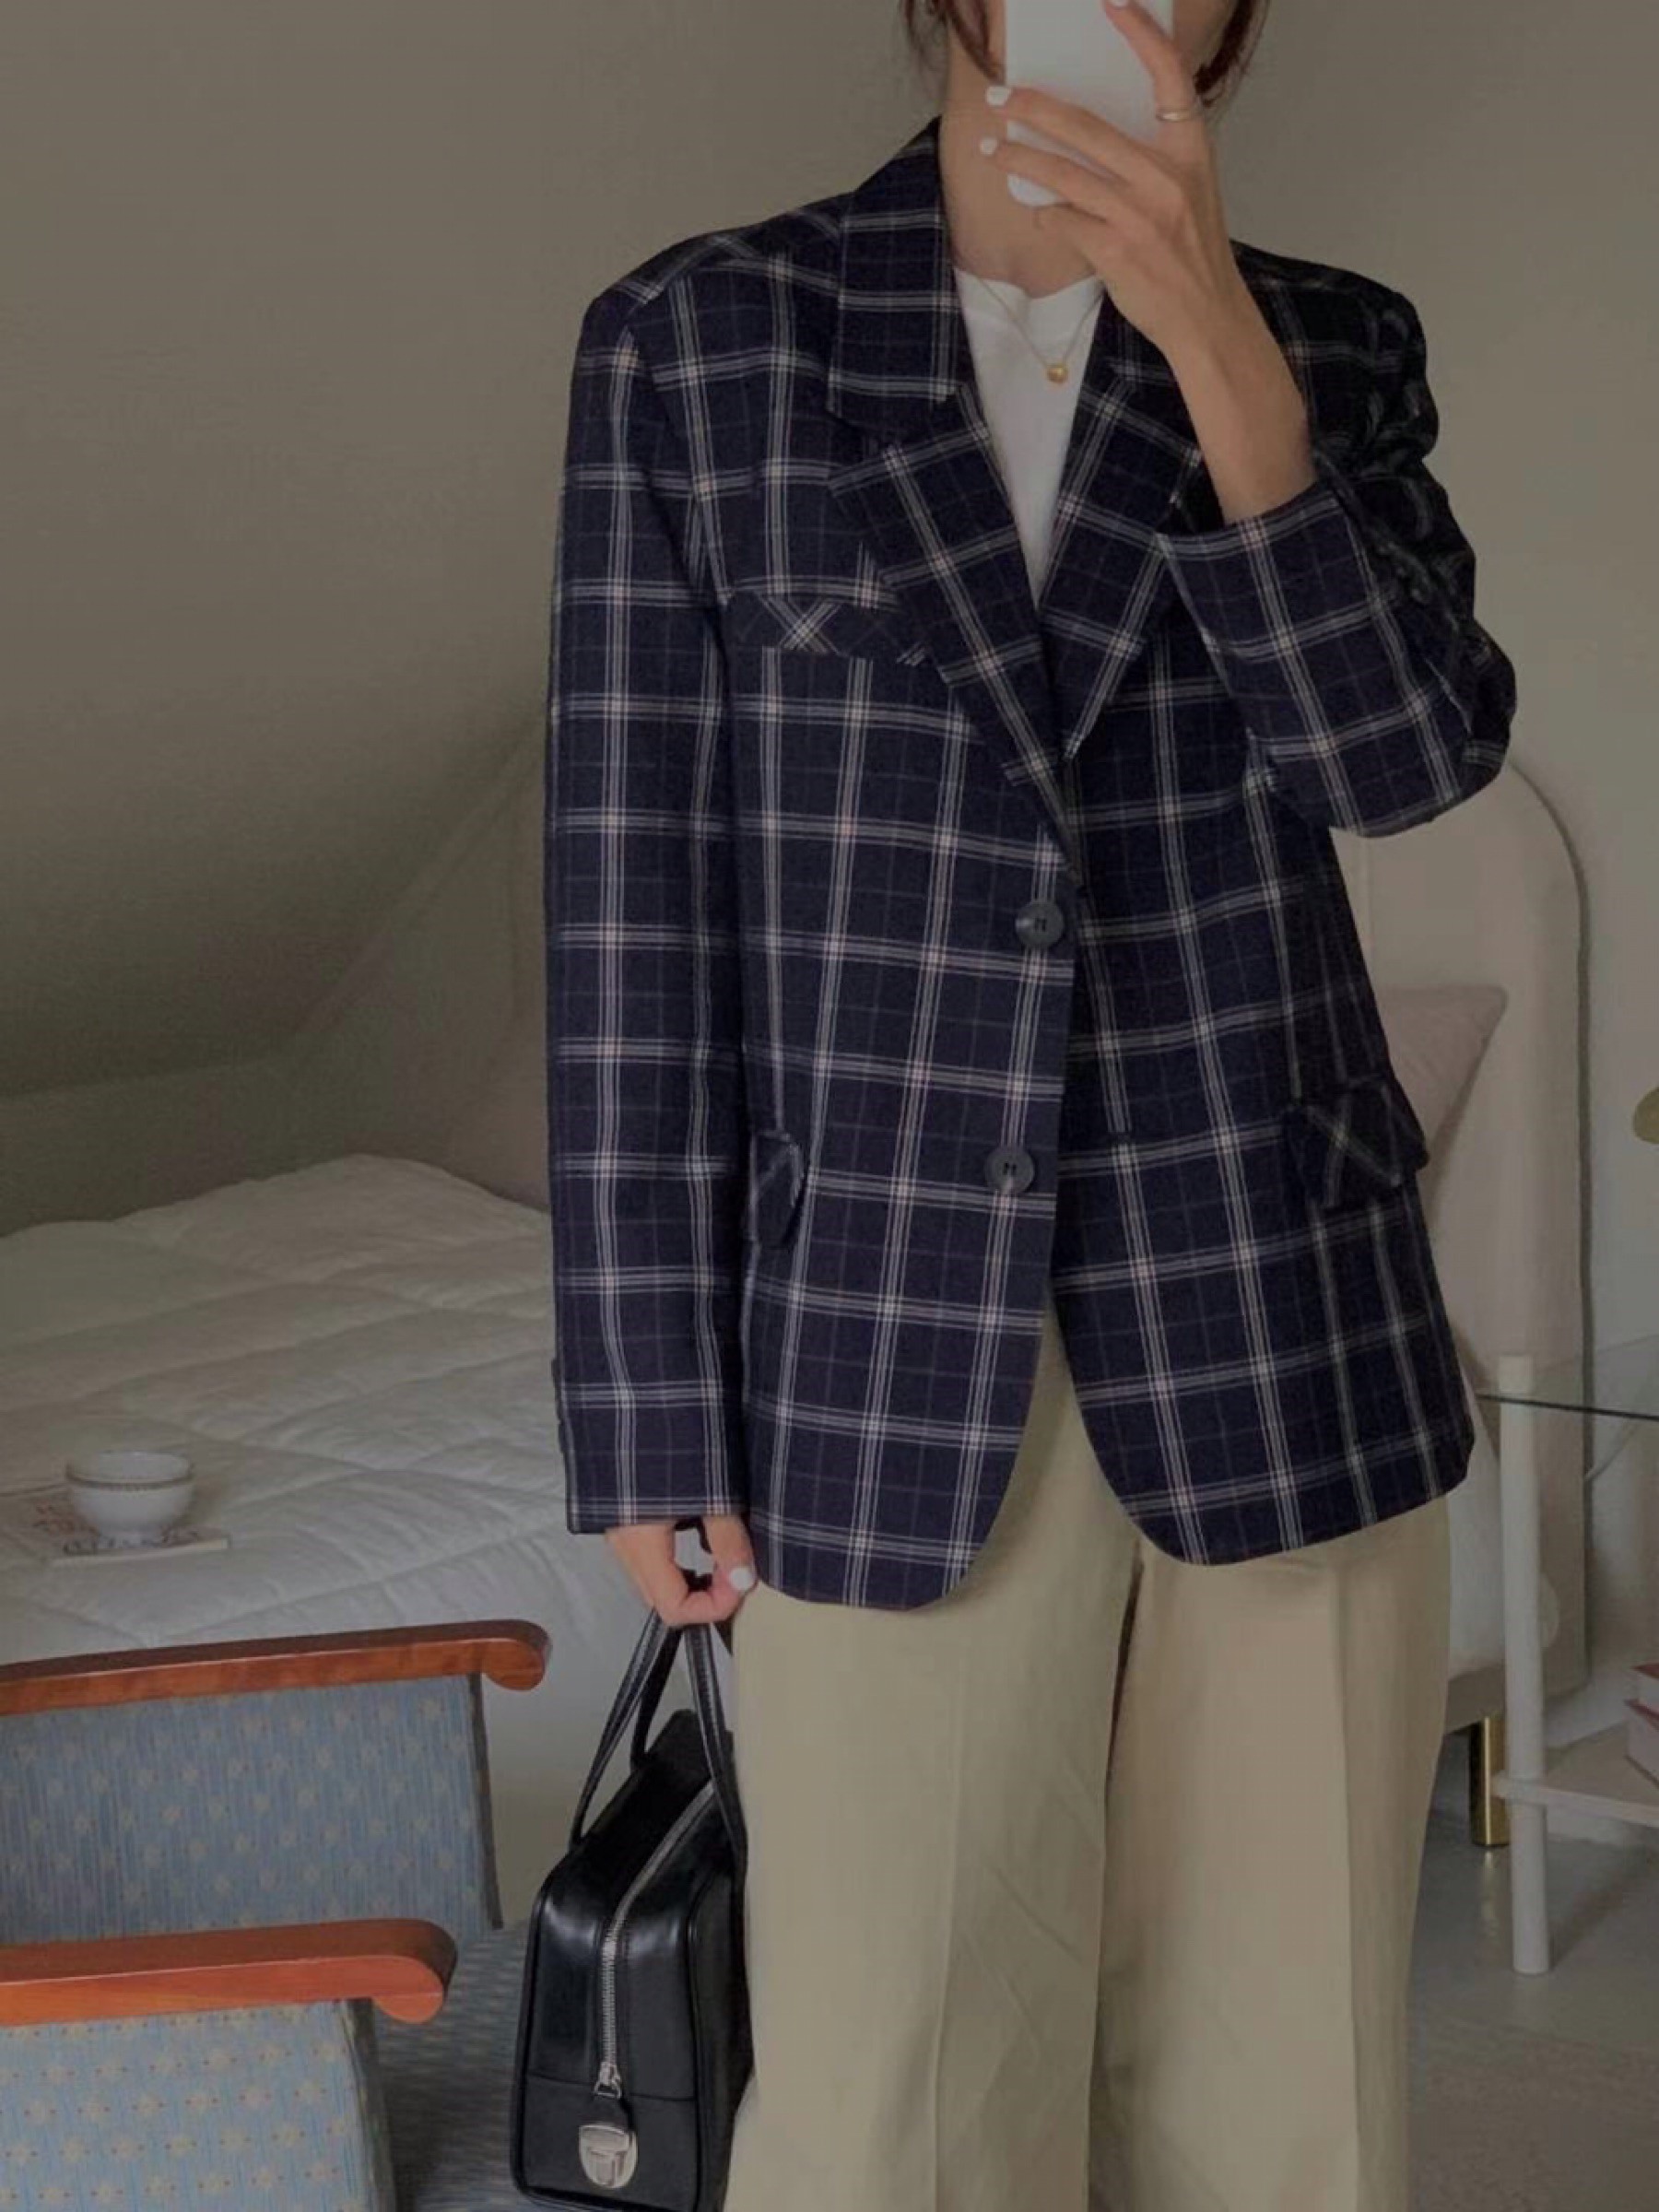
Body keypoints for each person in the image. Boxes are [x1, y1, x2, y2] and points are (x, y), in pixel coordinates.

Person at [544, 0, 1518, 2204]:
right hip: (880, 1340)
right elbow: (631, 901)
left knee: (1286, 2108)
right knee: (892, 2110)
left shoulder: (1332, 346)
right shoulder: (701, 345)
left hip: (1282, 1311)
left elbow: (1400, 764)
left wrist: (1222, 354)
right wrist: (645, 1402)